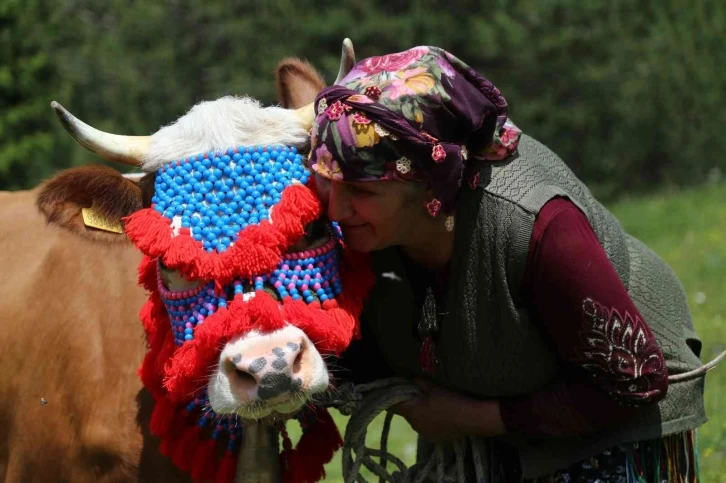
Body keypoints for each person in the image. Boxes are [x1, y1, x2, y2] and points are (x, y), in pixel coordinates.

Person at [308, 46, 706, 482]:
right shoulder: (366, 234)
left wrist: (472, 419)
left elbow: (635, 382)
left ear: (431, 190)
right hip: (486, 408)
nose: (337, 208)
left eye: (362, 193)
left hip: (614, 419)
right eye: (329, 184)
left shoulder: (536, 224)